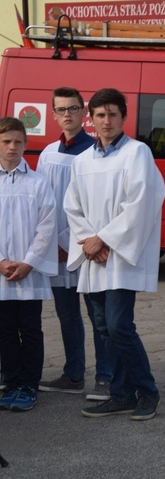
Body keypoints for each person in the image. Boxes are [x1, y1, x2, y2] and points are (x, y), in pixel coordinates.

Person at [64, 88, 165, 420]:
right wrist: (89, 242)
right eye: (100, 115)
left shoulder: (138, 154)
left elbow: (142, 203)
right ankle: (121, 393)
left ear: (124, 116)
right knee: (102, 325)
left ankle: (147, 391)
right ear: (90, 119)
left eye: (112, 114)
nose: (106, 121)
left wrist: (104, 239)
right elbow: (72, 207)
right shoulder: (81, 161)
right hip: (94, 256)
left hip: (120, 256)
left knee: (119, 325)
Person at [37, 87, 112, 401]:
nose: (66, 115)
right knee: (66, 316)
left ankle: (106, 378)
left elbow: (99, 204)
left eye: (72, 109)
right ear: (54, 115)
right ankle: (74, 374)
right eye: (60, 110)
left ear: (83, 113)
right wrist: (49, 243)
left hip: (86, 249)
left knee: (99, 318)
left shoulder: (95, 153)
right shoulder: (47, 154)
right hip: (54, 251)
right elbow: (41, 204)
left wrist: (73, 242)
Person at [0, 117, 57, 411]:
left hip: (28, 273)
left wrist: (29, 263)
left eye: (18, 142)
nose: (12, 147)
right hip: (2, 273)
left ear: (26, 144)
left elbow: (47, 226)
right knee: (5, 329)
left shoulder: (37, 182)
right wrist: (2, 262)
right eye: (6, 141)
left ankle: (30, 383)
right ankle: (11, 380)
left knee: (30, 328)